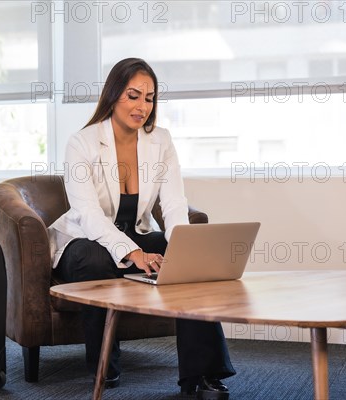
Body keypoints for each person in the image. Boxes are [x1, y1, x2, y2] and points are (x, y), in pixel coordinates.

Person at [48, 58, 236, 398]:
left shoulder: (161, 141)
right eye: (134, 96)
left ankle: (203, 373)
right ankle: (104, 363)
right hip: (84, 239)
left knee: (189, 264)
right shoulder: (82, 142)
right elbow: (87, 212)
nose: (142, 106)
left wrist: (182, 250)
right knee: (96, 259)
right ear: (114, 95)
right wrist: (132, 252)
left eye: (149, 98)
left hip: (134, 231)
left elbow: (175, 204)